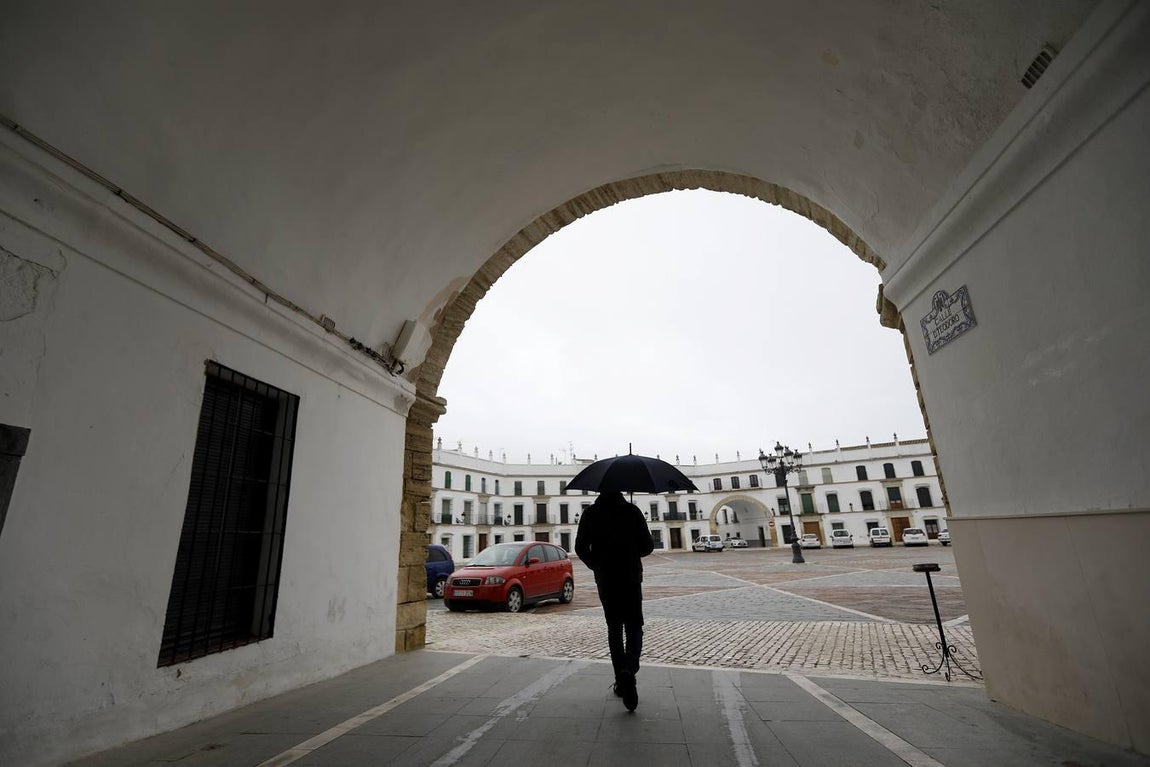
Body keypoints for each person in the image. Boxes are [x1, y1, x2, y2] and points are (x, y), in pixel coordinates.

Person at [574, 489, 654, 711]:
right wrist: (630, 550)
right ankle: (630, 668)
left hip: (606, 579)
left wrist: (595, 564)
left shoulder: (590, 513)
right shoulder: (632, 511)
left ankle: (621, 680)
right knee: (634, 625)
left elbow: (579, 548)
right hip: (630, 577)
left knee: (614, 629)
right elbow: (648, 546)